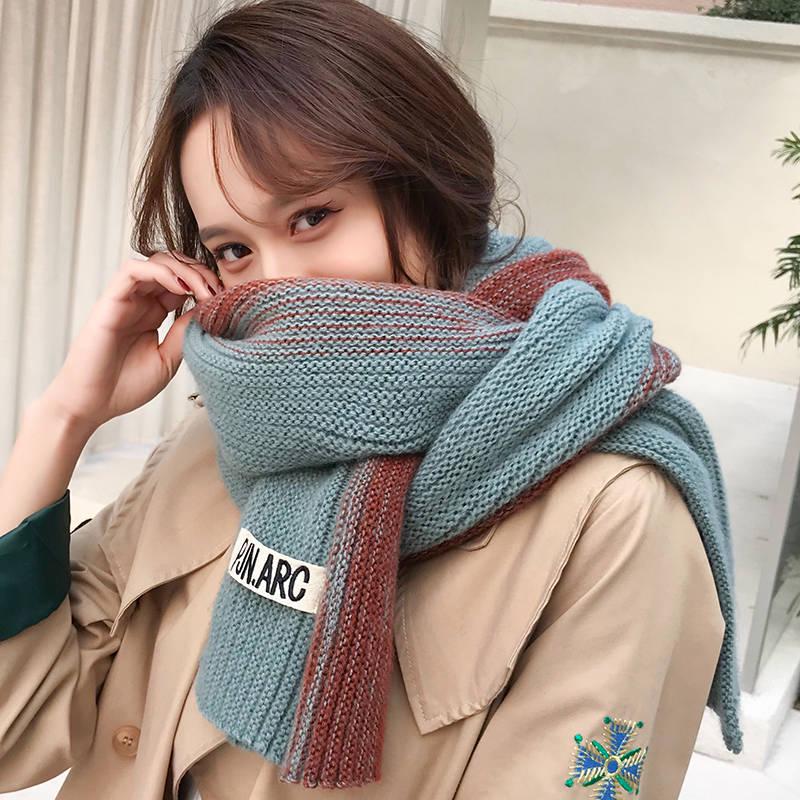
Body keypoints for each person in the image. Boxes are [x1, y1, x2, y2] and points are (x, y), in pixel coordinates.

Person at [0, 1, 742, 798]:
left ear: (429, 185)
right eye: (235, 249)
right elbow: (15, 730)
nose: (279, 284)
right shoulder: (230, 436)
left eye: (312, 216)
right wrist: (61, 420)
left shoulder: (615, 512)